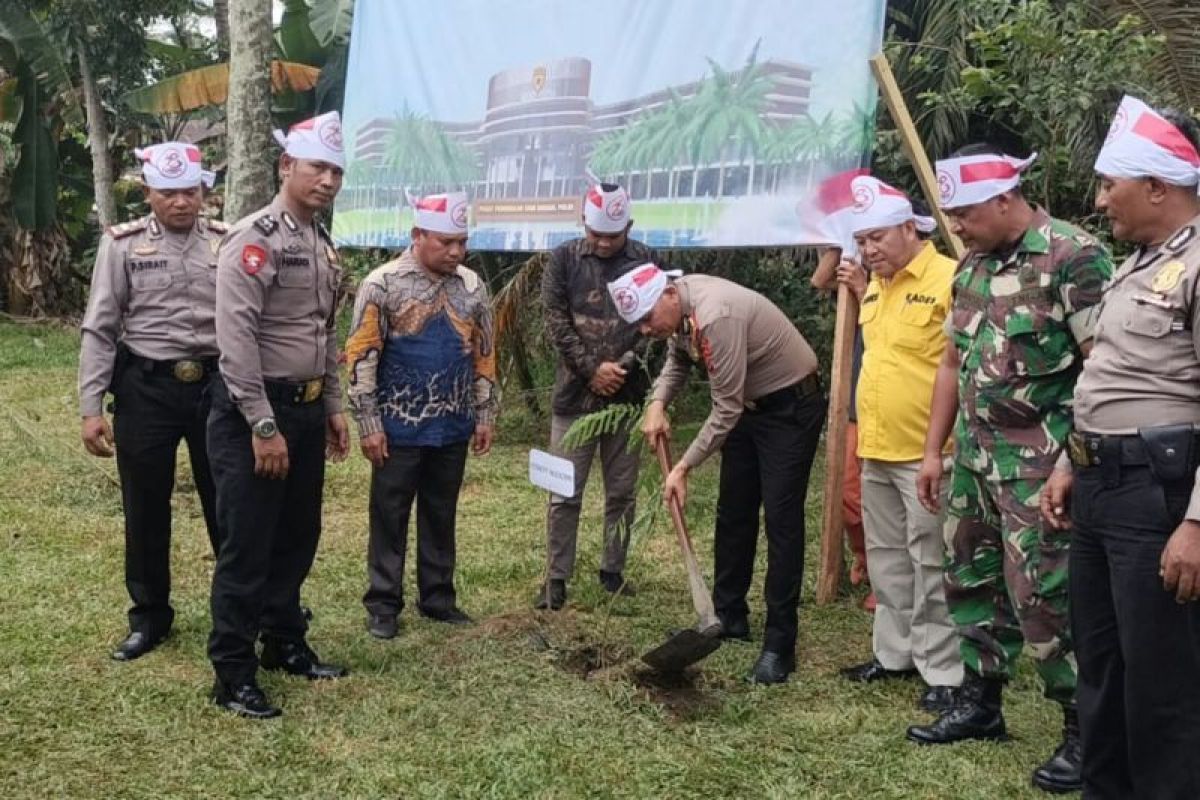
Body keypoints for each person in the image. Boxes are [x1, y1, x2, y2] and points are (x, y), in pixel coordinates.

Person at [906, 144, 1113, 794]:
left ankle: (1085, 729)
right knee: (971, 580)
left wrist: (1072, 462)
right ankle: (980, 701)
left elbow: (1104, 371)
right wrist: (936, 450)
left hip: (1042, 465)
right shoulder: (971, 266)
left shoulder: (1073, 256)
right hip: (975, 459)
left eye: (965, 212)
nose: (956, 226)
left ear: (1005, 199)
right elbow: (949, 364)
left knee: (1044, 597)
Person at [1040, 97, 1200, 799]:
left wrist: (1196, 523)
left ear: (1158, 187)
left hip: (1158, 491)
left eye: (1112, 185)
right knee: (1101, 665)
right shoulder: (1135, 264)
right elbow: (1106, 376)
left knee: (1160, 678)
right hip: (1100, 483)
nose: (1101, 200)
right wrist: (1066, 461)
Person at [612, 264, 825, 684]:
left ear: (669, 294)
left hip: (789, 409)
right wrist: (657, 402)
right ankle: (729, 616)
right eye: (637, 324)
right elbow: (678, 359)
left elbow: (724, 407)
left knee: (781, 521)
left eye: (647, 318)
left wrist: (683, 466)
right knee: (734, 512)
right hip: (749, 408)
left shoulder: (716, 314)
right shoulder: (680, 312)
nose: (645, 330)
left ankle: (779, 645)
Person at [206, 111, 350, 719]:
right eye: (317, 166)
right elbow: (235, 338)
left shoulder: (318, 240)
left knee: (298, 534)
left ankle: (284, 642)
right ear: (286, 166)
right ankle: (232, 672)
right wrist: (262, 425)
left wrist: (335, 406)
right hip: (255, 411)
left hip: (308, 410)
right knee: (249, 545)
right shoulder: (255, 237)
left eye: (337, 171)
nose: (327, 180)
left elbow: (323, 331)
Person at [79, 142, 221, 662]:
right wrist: (91, 406)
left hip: (215, 386)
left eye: (189, 191)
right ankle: (149, 617)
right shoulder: (121, 246)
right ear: (147, 193)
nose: (181, 202)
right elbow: (100, 327)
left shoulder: (227, 244)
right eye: (168, 193)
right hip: (146, 388)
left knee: (227, 501)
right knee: (144, 506)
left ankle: (237, 609)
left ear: (203, 190)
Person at [833, 176, 962, 713]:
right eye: (861, 240)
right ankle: (894, 654)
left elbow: (956, 369)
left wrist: (936, 449)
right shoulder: (876, 287)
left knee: (932, 559)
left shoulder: (948, 279)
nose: (868, 250)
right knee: (887, 559)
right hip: (878, 447)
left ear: (911, 228)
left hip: (927, 453)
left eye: (877, 238)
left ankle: (943, 670)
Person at [345, 191, 498, 639]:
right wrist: (369, 424)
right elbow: (361, 357)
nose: (455, 252)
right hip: (397, 427)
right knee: (389, 514)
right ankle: (383, 603)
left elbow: (485, 355)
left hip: (452, 424)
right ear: (417, 235)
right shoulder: (383, 284)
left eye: (461, 242)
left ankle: (437, 597)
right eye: (445, 242)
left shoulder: (471, 286)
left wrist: (484, 413)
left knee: (440, 511)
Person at [535, 183, 655, 610]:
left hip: (627, 395)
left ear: (629, 227)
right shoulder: (563, 259)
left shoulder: (645, 260)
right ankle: (555, 578)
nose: (604, 243)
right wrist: (591, 370)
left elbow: (653, 325)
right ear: (584, 223)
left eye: (613, 235)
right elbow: (555, 321)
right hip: (574, 396)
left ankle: (612, 571)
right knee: (563, 492)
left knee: (622, 491)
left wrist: (620, 368)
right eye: (596, 233)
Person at [810, 250, 872, 608]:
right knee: (849, 494)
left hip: (893, 402)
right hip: (855, 400)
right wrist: (837, 236)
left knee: (885, 495)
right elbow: (820, 279)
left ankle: (885, 576)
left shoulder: (919, 280)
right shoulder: (861, 267)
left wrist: (865, 290)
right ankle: (865, 557)